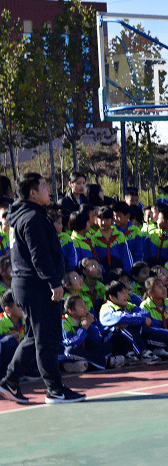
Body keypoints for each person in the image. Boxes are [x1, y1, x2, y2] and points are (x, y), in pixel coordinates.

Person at [0, 173, 86, 404]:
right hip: (37, 286)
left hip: (27, 284)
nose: (48, 189)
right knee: (47, 338)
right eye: (44, 186)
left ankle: (10, 382)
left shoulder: (23, 215)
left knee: (33, 336)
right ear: (32, 192)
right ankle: (55, 390)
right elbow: (39, 256)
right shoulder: (32, 218)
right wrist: (54, 282)